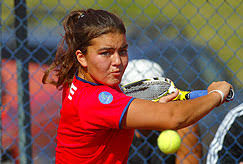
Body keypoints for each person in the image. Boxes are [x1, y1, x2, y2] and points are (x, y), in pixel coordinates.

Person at [42, 8, 232, 164]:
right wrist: (216, 94)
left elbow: (111, 127)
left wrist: (151, 112)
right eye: (106, 53)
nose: (117, 61)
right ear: (81, 57)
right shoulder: (95, 99)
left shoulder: (86, 80)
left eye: (123, 51)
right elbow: (175, 118)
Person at [122, 59, 202, 164]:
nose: (146, 101)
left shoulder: (183, 126)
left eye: (153, 94)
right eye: (138, 95)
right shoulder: (113, 128)